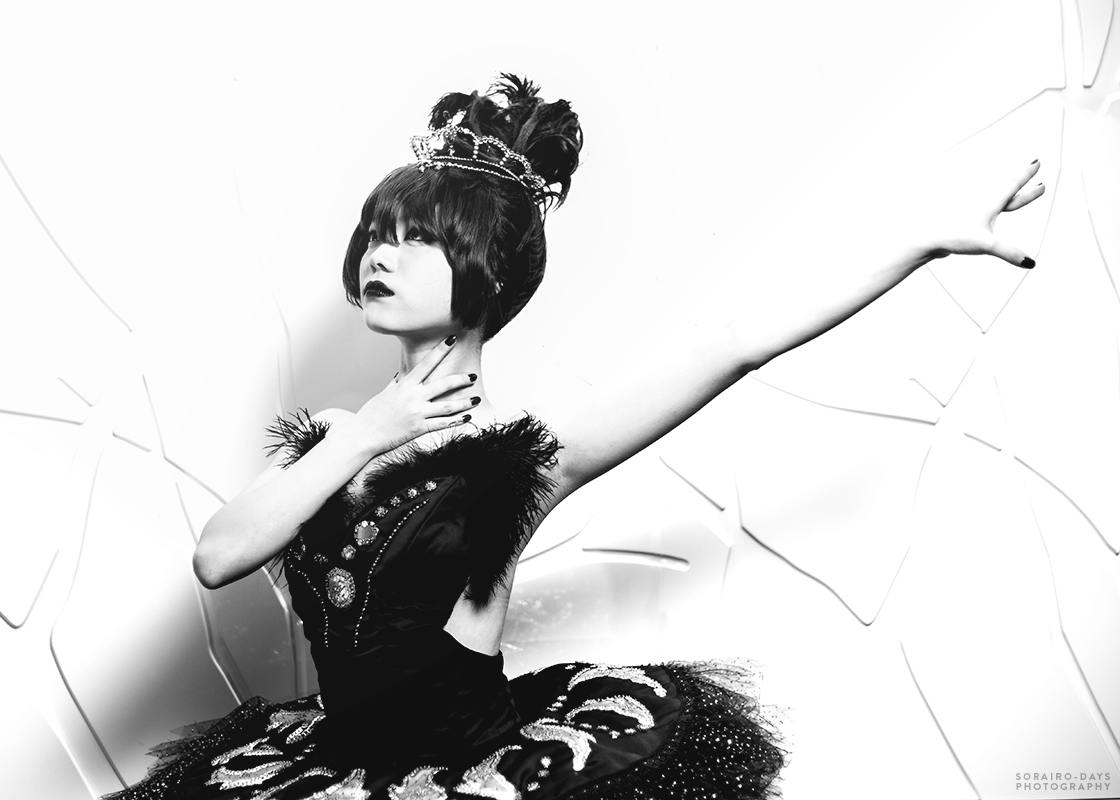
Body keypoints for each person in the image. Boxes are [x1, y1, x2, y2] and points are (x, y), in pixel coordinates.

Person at [104, 75, 1043, 800]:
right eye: (376, 231)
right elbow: (217, 558)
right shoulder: (332, 439)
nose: (382, 251)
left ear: (484, 268)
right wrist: (365, 438)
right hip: (327, 769)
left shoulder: (525, 462)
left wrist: (921, 240)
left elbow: (732, 343)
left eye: (418, 236)